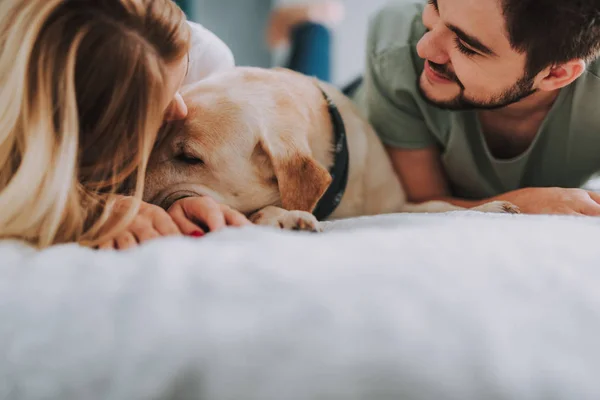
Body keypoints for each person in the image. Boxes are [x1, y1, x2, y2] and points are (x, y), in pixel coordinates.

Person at [0, 0, 250, 250]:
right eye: (159, 110)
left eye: (181, 80)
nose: (182, 110)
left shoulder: (204, 63)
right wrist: (89, 211)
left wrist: (175, 200)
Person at [348, 0, 600, 216]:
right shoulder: (395, 47)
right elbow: (418, 204)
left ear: (556, 73)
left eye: (467, 47)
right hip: (350, 109)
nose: (423, 47)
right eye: (435, 6)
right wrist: (524, 203)